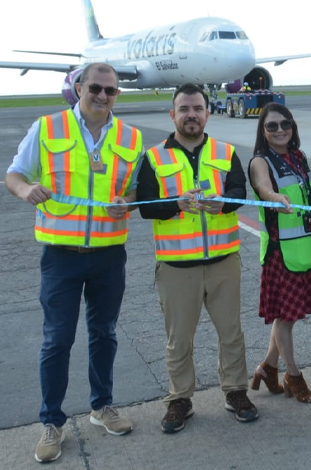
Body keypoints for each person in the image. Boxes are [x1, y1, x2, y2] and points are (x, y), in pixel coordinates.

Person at [5, 62, 142, 463]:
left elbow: (134, 188)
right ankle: (52, 422)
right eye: (95, 88)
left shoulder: (130, 137)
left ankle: (102, 407)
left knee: (105, 333)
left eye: (111, 90)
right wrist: (27, 188)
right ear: (78, 87)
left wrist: (126, 204)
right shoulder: (48, 128)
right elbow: (14, 174)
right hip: (60, 256)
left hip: (108, 254)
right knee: (57, 340)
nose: (102, 96)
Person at [136, 83, 257, 433]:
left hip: (223, 260)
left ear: (207, 112)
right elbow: (144, 206)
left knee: (231, 333)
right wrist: (175, 204)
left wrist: (225, 201)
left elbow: (239, 192)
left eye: (198, 108)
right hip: (177, 267)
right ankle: (180, 399)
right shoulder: (155, 156)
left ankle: (235, 392)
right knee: (179, 339)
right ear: (173, 114)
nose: (191, 114)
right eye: (184, 109)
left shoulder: (224, 151)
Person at [248, 102, 311, 404]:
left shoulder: (298, 157)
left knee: (287, 318)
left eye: (285, 124)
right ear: (263, 132)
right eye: (272, 126)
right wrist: (272, 197)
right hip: (281, 252)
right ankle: (293, 376)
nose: (280, 130)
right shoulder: (260, 161)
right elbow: (264, 188)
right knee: (285, 317)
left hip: (305, 249)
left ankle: (268, 367)